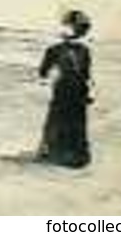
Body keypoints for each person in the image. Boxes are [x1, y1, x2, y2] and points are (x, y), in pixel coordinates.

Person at [37, 10, 93, 168]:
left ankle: (53, 151)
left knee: (59, 119)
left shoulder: (54, 49)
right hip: (78, 89)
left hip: (64, 88)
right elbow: (86, 75)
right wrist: (88, 92)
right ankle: (76, 154)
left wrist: (51, 77)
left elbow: (43, 72)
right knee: (75, 121)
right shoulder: (84, 51)